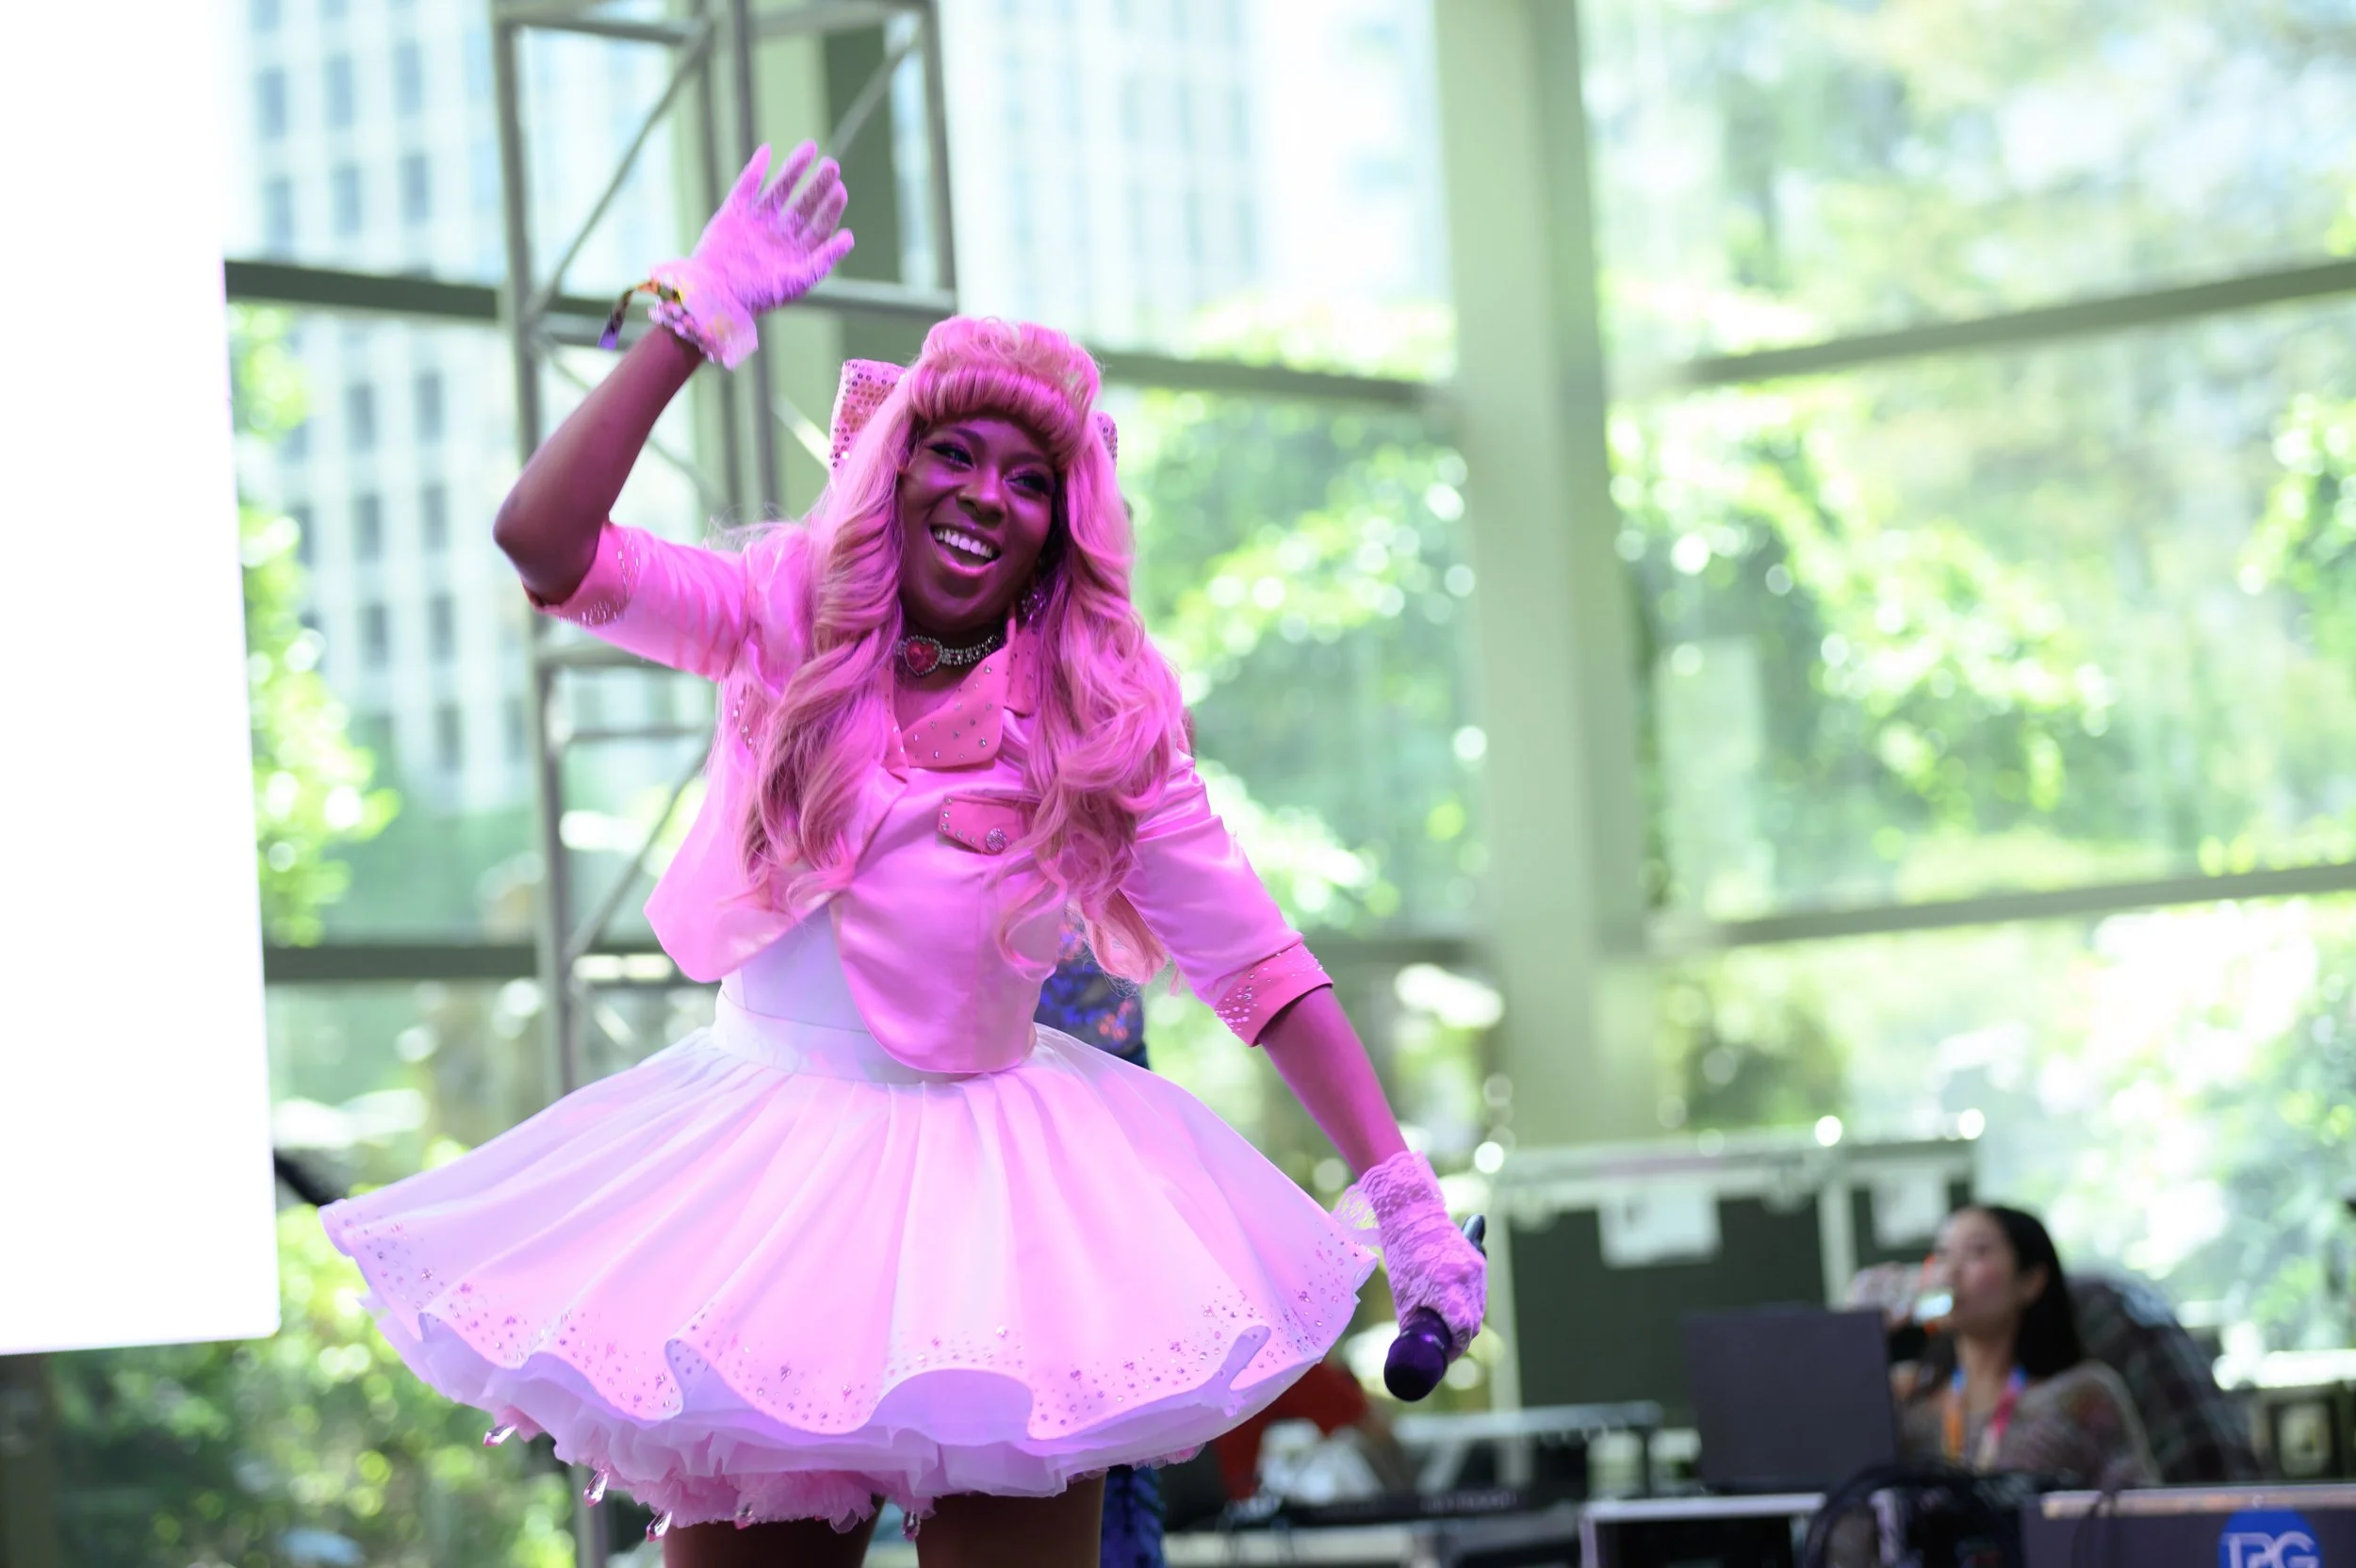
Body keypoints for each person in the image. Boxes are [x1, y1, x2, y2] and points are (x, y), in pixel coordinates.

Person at [319, 141, 1485, 1568]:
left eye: (1028, 477)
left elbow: (1260, 969)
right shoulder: (779, 615)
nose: (985, 493)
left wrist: (1402, 1198)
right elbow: (544, 543)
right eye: (953, 450)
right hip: (763, 1185)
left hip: (1000, 1209)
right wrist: (696, 317)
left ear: (1068, 525)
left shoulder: (1097, 724)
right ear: (896, 465)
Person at [1869, 1206, 2158, 1490]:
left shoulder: (2081, 1394)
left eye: (1977, 1252)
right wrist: (1859, 1335)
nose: (1950, 1272)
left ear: (2030, 1281)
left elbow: (2139, 1513)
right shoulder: (1903, 1393)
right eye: (1943, 1254)